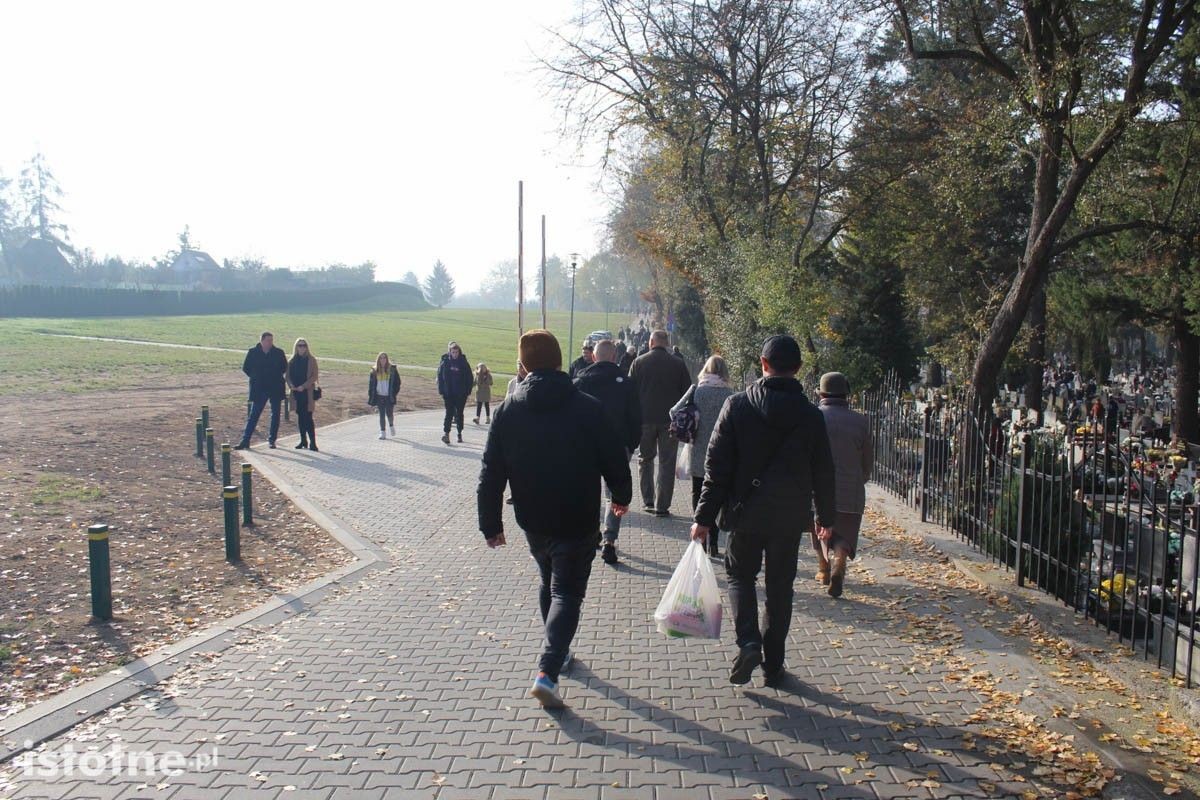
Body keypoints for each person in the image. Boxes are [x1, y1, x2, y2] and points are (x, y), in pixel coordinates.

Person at [478, 330, 632, 708]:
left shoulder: (508, 411)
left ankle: (558, 654)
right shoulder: (588, 407)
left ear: (523, 364)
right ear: (560, 361)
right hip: (577, 516)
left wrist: (491, 524)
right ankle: (548, 670)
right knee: (567, 592)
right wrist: (621, 496)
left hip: (533, 519)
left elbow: (490, 473)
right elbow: (613, 457)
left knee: (549, 580)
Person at [691, 335, 836, 688]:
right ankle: (774, 665)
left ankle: (749, 642)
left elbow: (717, 468)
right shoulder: (810, 416)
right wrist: (826, 518)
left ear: (763, 363)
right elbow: (824, 470)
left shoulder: (737, 407)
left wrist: (703, 517)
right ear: (798, 369)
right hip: (788, 517)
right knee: (780, 588)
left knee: (740, 577)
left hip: (744, 512)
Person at [574, 339, 641, 564]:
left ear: (593, 357)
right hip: (618, 445)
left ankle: (593, 534)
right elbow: (635, 418)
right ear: (614, 357)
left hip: (586, 446)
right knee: (614, 495)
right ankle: (609, 540)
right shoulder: (627, 383)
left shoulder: (580, 382)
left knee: (589, 490)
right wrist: (631, 445)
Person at [814, 372, 872, 598]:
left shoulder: (815, 416)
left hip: (819, 489)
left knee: (820, 529)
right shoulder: (860, 421)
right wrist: (862, 477)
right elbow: (867, 459)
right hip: (851, 488)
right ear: (847, 394)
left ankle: (824, 569)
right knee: (845, 534)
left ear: (821, 393)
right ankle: (839, 559)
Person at [673, 355, 734, 558]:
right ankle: (714, 542)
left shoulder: (696, 391)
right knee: (718, 496)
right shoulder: (730, 394)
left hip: (698, 451)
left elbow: (674, 412)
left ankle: (701, 536)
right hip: (723, 453)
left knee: (698, 493)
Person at [628, 330, 693, 515]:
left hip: (644, 420)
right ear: (666, 343)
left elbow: (630, 392)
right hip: (670, 422)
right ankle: (662, 506)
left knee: (645, 459)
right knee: (667, 462)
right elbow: (687, 393)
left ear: (651, 342)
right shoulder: (678, 364)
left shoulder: (638, 362)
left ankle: (648, 500)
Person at [236, 332, 289, 450]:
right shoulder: (253, 352)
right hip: (259, 389)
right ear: (262, 341)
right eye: (268, 340)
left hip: (275, 388)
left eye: (272, 340)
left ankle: (272, 440)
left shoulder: (278, 352)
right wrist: (256, 377)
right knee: (254, 414)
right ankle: (245, 440)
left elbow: (284, 367)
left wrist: (274, 376)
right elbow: (246, 368)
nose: (270, 342)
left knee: (275, 415)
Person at [437, 341, 474, 444]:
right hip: (448, 393)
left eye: (456, 352)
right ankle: (446, 434)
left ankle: (459, 433)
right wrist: (441, 390)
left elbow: (470, 378)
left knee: (459, 413)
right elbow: (440, 377)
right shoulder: (445, 362)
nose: (455, 354)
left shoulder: (463, 363)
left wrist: (467, 391)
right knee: (449, 413)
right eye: (453, 352)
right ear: (450, 352)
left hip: (460, 394)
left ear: (459, 352)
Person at [287, 338, 320, 451]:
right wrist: (291, 385)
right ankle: (303, 440)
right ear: (296, 347)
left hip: (307, 393)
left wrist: (304, 386)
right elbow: (287, 376)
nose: (302, 348)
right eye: (299, 345)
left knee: (308, 418)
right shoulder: (291, 361)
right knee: (300, 417)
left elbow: (314, 376)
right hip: (296, 393)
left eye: (304, 345)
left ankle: (313, 443)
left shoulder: (311, 360)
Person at [368, 352, 401, 439]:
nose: (383, 360)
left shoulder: (392, 370)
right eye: (381, 358)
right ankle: (382, 432)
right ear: (378, 360)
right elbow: (371, 385)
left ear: (387, 359)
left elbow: (398, 383)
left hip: (389, 396)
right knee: (381, 414)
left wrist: (394, 393)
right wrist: (371, 397)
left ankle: (391, 425)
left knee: (389, 413)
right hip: (379, 396)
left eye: (384, 358)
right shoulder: (374, 371)